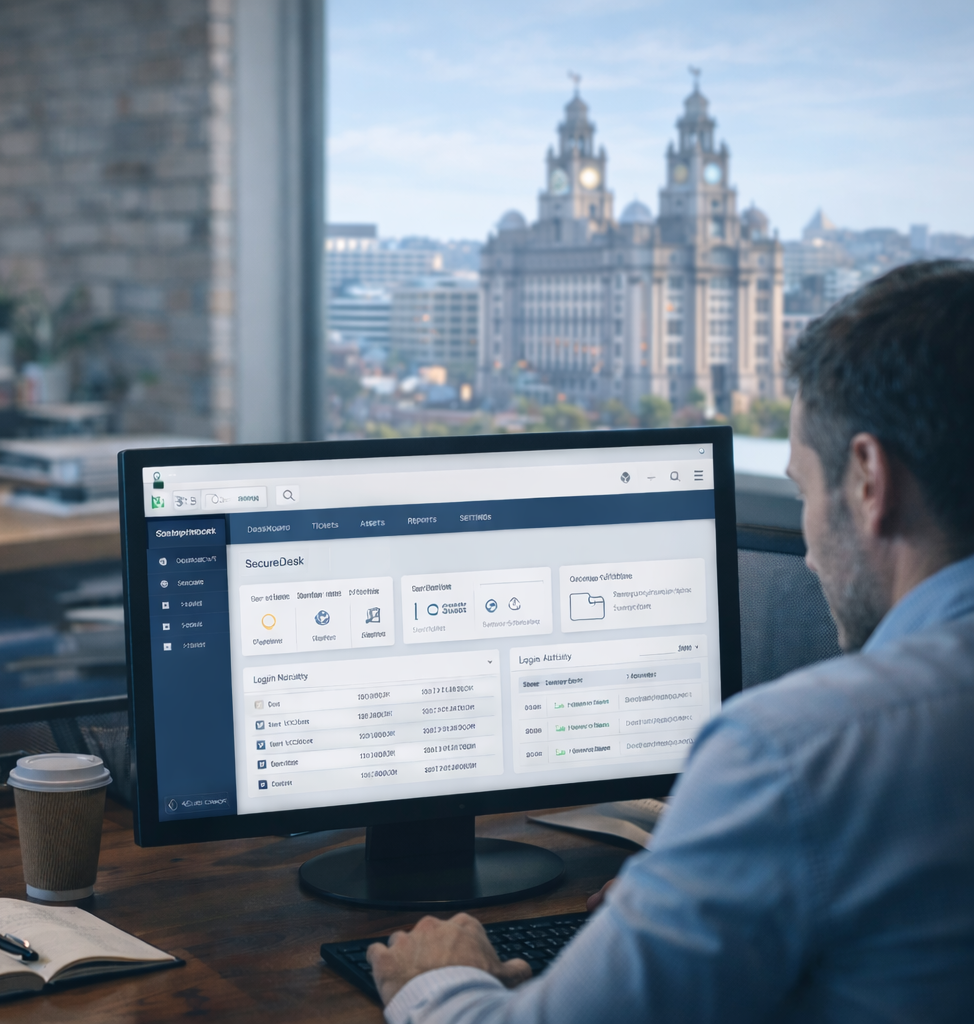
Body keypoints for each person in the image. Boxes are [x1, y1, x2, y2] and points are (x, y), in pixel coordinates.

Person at [368, 260, 974, 1023]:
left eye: (803, 491)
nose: (810, 554)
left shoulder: (795, 753)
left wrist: (437, 979)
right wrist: (696, 888)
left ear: (868, 480)